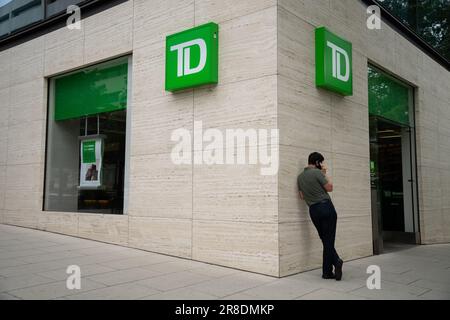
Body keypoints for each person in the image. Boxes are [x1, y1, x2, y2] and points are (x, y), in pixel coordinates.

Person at [297, 152, 343, 281]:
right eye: (321, 162)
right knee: (329, 239)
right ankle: (337, 260)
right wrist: (324, 174)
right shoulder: (318, 173)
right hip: (326, 207)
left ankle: (327, 272)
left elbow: (301, 196)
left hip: (313, 210)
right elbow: (330, 188)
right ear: (317, 162)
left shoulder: (300, 177)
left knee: (325, 240)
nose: (322, 165)